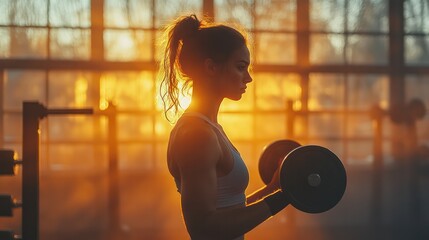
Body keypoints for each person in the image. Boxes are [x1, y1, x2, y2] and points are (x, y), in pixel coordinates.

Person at [159, 14, 289, 240]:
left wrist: (274, 189)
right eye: (240, 67)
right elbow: (205, 228)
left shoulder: (211, 128)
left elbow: (228, 212)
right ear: (211, 67)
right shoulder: (197, 135)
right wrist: (286, 197)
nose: (248, 78)